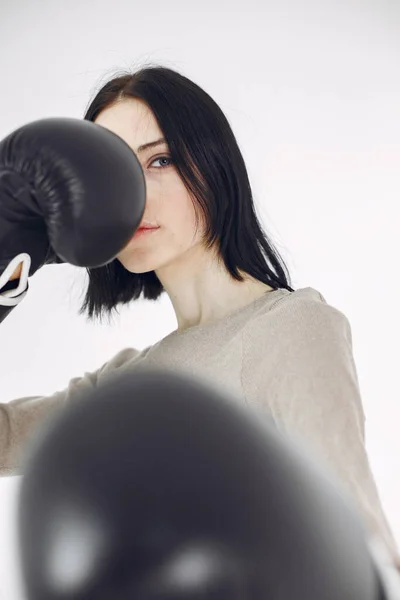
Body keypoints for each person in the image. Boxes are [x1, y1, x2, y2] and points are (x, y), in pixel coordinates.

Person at [0, 64, 399, 573]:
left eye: (159, 160)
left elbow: (359, 545)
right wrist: (7, 260)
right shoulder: (128, 383)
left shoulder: (290, 328)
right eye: (110, 172)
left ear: (212, 167)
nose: (131, 193)